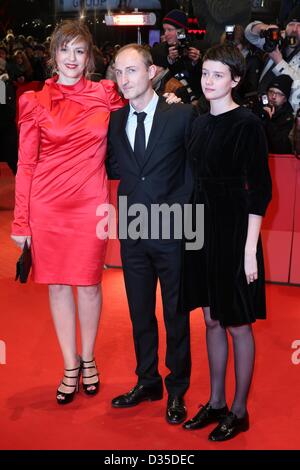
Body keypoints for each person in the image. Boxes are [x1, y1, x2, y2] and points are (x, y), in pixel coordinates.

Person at [11, 20, 124, 405]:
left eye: (79, 50)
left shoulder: (106, 93)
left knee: (90, 284)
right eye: (65, 50)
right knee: (58, 285)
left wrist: (170, 99)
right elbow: (26, 164)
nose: (72, 58)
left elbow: (139, 101)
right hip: (47, 205)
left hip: (90, 204)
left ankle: (89, 356)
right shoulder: (34, 101)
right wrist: (21, 221)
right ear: (53, 55)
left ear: (89, 56)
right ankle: (69, 363)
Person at [182, 44, 272, 440]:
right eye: (205, 73)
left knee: (237, 323)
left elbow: (261, 191)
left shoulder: (248, 124)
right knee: (211, 317)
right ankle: (216, 401)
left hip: (236, 231)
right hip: (201, 228)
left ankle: (239, 409)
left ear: (236, 80)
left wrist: (250, 249)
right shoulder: (199, 123)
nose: (209, 82)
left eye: (219, 75)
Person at [106, 44, 195, 425]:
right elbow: (116, 167)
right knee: (140, 313)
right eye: (118, 72)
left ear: (152, 71)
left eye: (131, 70)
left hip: (173, 230)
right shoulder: (114, 120)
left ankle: (177, 390)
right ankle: (147, 381)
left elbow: (194, 171)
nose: (124, 79)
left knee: (176, 315)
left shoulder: (182, 115)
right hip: (133, 232)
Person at [245, 5, 300, 113]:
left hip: (285, 115)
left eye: (299, 26)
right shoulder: (279, 39)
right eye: (291, 24)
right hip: (260, 102)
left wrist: (279, 62)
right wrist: (265, 29)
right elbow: (249, 34)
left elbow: (298, 87)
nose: (294, 30)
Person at [262, 75, 294, 153]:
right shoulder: (258, 108)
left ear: (285, 99)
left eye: (279, 94)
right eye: (271, 91)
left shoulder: (289, 118)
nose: (273, 97)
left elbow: (282, 148)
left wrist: (268, 121)